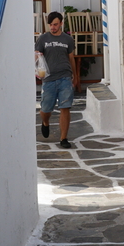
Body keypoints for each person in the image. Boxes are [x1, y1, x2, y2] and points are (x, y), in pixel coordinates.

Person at [35, 11, 79, 148]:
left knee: (65, 107)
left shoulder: (68, 40)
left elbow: (71, 57)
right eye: (50, 25)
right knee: (46, 109)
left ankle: (63, 138)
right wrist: (37, 61)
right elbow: (37, 56)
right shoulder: (43, 39)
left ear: (61, 23)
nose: (52, 27)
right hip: (49, 78)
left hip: (65, 77)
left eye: (55, 24)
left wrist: (75, 76)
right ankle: (45, 122)